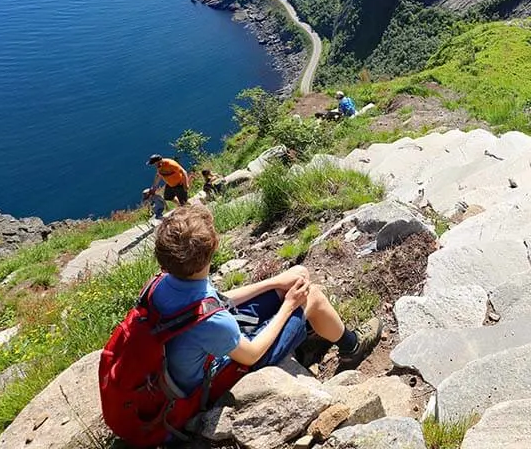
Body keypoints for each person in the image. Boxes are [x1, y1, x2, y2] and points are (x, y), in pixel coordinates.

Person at [150, 207, 370, 398]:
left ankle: (308, 332)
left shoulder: (162, 284)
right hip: (225, 373)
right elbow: (251, 354)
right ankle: (352, 347)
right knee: (311, 296)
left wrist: (274, 282)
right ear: (212, 250)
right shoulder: (214, 323)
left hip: (199, 351)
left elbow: (216, 300)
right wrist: (289, 305)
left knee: (297, 275)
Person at [146, 154, 189, 220]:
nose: (154, 165)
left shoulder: (171, 164)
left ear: (159, 161)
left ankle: (189, 213)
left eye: (155, 163)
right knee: (168, 197)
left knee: (183, 202)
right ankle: (179, 205)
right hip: (170, 185)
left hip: (179, 184)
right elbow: (158, 176)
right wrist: (154, 187)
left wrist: (186, 184)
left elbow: (184, 172)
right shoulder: (159, 167)